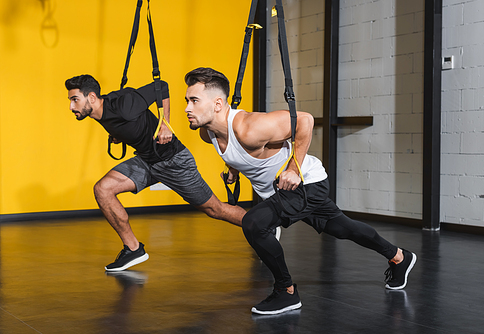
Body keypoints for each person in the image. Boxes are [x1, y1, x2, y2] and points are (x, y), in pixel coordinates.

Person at [183, 67, 417, 315]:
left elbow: (305, 120)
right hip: (281, 191)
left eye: (194, 101)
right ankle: (399, 257)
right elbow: (235, 152)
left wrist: (293, 168)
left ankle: (286, 292)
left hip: (305, 183)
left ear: (218, 104)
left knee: (254, 222)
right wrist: (233, 169)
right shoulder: (207, 133)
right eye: (187, 100)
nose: (187, 108)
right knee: (342, 228)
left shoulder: (250, 128)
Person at [65, 74, 248, 272]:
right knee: (103, 189)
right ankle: (133, 248)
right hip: (147, 160)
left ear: (91, 98)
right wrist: (118, 135)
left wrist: (164, 123)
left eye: (75, 100)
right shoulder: (103, 110)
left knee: (215, 210)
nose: (71, 107)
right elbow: (131, 124)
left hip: (173, 161)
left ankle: (262, 226)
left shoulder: (124, 104)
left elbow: (161, 86)